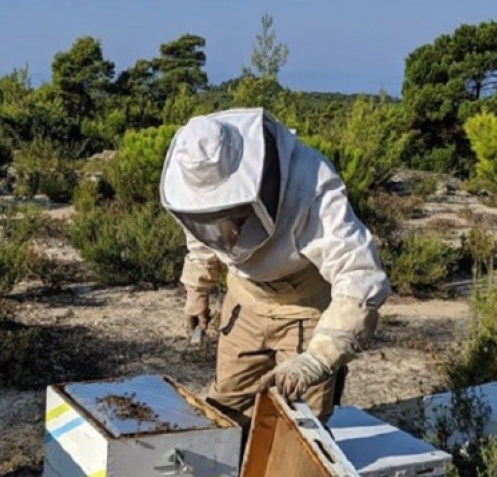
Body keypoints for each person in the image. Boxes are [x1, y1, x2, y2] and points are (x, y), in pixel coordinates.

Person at [160, 107, 390, 426]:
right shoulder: (195, 188)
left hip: (305, 311)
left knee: (301, 423)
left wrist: (317, 359)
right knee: (226, 405)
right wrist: (197, 289)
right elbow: (204, 236)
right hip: (245, 303)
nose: (232, 224)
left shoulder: (311, 181)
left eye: (235, 209)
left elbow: (360, 275)